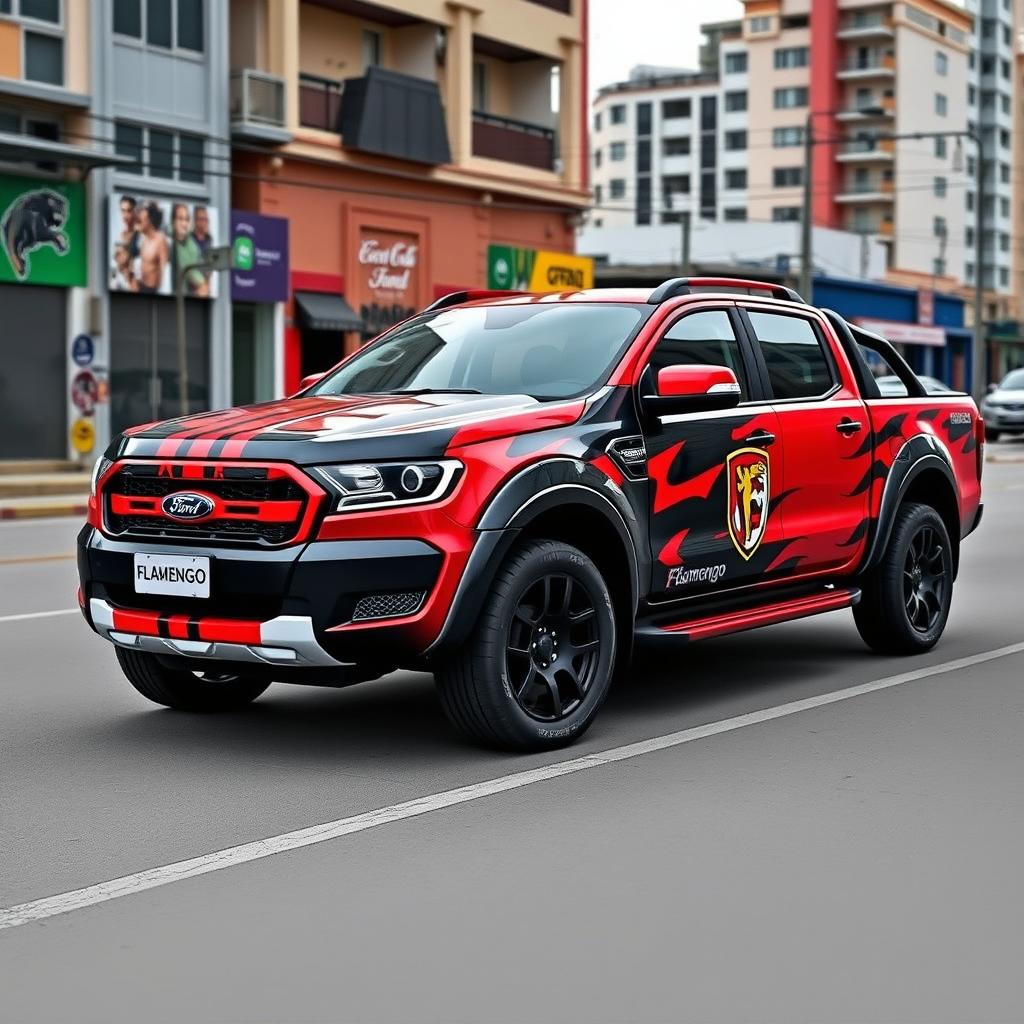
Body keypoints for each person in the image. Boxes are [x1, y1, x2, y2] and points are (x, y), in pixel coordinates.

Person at [171, 203, 208, 297]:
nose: (184, 224)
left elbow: (200, 281)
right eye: (180, 219)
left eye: (187, 219)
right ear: (173, 221)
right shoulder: (167, 239)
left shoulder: (192, 245)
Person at [137, 201, 169, 293]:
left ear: (149, 220)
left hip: (153, 291)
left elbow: (164, 271)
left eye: (141, 221)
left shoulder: (160, 240)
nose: (139, 224)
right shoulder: (144, 239)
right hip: (141, 288)